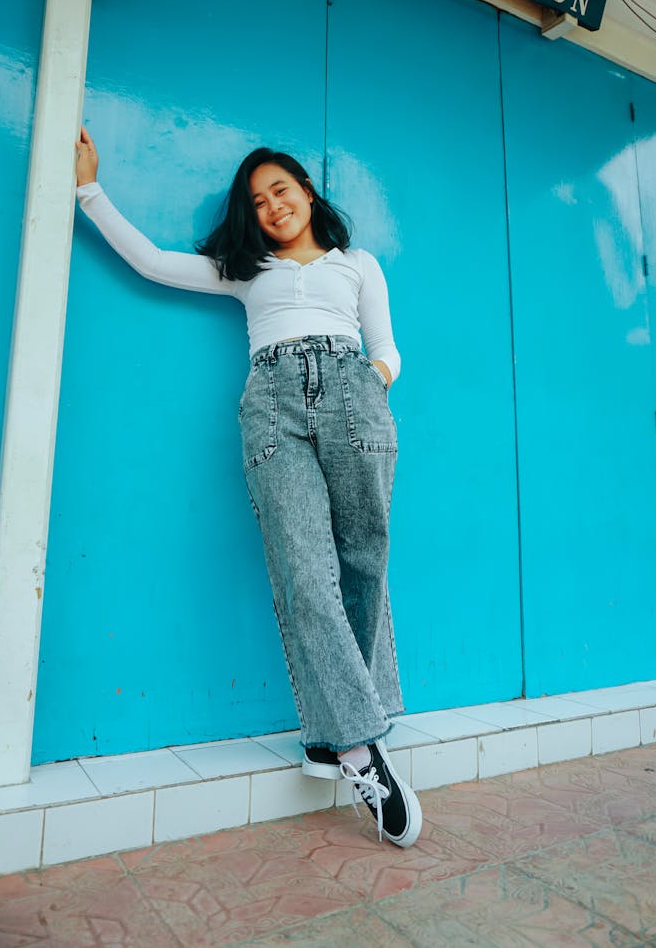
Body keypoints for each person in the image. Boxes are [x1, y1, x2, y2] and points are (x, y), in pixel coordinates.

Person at [74, 128, 422, 847]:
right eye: (259, 201)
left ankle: (329, 733)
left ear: (308, 194)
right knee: (305, 573)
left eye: (282, 191)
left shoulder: (357, 265)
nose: (272, 207)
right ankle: (361, 749)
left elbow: (386, 346)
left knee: (365, 559)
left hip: (354, 397)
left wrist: (372, 380)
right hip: (273, 409)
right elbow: (152, 263)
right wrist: (89, 189)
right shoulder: (243, 270)